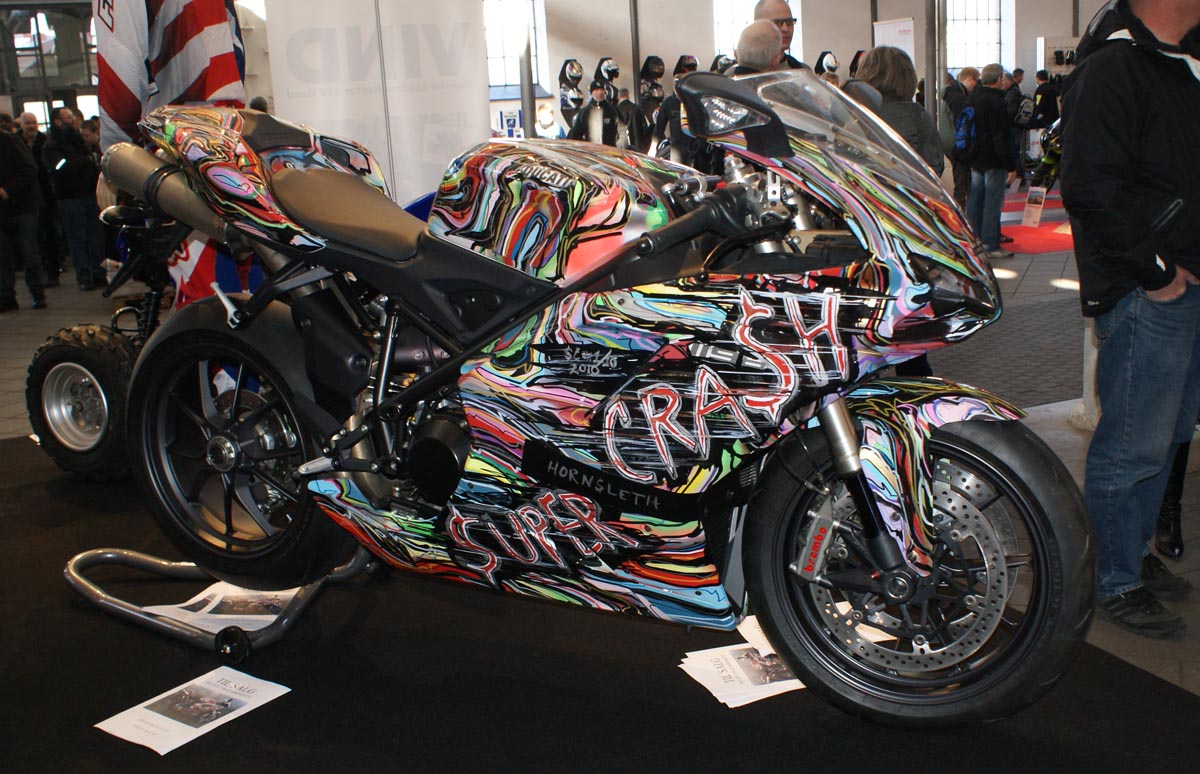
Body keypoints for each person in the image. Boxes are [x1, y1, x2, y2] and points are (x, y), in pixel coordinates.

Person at [1060, 0, 1200, 638]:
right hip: (1151, 290)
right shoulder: (1116, 65)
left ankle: (1131, 554)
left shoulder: (1173, 60)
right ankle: (1113, 576)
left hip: (1178, 283)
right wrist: (1156, 271)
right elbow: (1090, 188)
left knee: (1165, 437)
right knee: (1132, 444)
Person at [854, 45, 944, 378]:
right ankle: (916, 384)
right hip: (904, 227)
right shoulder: (916, 115)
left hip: (860, 226)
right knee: (906, 318)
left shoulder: (854, 113)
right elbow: (934, 167)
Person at [43, 107, 106, 291]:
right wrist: (85, 161)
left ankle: (99, 272)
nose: (73, 120)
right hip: (70, 198)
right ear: (58, 121)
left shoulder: (77, 140)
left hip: (89, 194)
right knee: (77, 238)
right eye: (69, 117)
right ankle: (84, 277)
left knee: (95, 236)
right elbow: (59, 167)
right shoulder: (51, 145)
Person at [964, 63, 1015, 261]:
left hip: (975, 156)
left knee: (975, 199)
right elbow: (1000, 136)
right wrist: (1010, 165)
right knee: (993, 202)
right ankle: (990, 244)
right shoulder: (996, 102)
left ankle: (973, 240)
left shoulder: (972, 98)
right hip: (993, 159)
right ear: (999, 80)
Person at [0, 128, 46, 311]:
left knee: (29, 253)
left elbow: (30, 168)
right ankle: (6, 298)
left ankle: (37, 293)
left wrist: (7, 190)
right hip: (3, 210)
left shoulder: (10, 141)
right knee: (3, 256)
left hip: (24, 206)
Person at [17, 111, 62, 287]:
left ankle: (52, 271)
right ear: (21, 125)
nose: (31, 126)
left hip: (45, 196)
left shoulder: (45, 142)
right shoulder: (16, 142)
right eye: (27, 123)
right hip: (24, 199)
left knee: (49, 234)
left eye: (34, 122)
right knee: (31, 239)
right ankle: (38, 273)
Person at [944, 66, 978, 208]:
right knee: (961, 181)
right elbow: (961, 123)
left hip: (948, 141)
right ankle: (961, 211)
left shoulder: (950, 93)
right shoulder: (959, 97)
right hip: (957, 143)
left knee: (959, 179)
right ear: (970, 79)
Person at [568, 81, 622, 147]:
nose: (600, 92)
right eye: (596, 90)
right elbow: (576, 135)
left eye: (602, 90)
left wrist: (620, 147)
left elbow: (622, 131)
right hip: (591, 151)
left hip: (610, 150)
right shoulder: (584, 112)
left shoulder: (612, 111)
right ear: (591, 93)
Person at [753, 0, 805, 69]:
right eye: (777, 23)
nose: (786, 29)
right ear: (758, 26)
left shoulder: (802, 71)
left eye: (789, 22)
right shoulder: (744, 73)